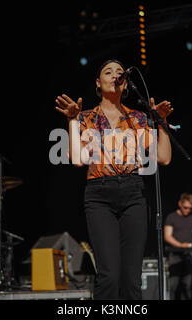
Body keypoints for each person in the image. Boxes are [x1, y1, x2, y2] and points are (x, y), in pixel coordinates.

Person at [55, 59, 173, 299]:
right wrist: (72, 121)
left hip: (133, 194)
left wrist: (161, 123)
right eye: (108, 72)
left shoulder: (138, 118)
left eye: (120, 72)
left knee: (131, 277)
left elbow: (163, 158)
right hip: (100, 196)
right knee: (109, 275)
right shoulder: (86, 117)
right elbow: (78, 159)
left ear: (126, 83)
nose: (115, 75)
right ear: (99, 83)